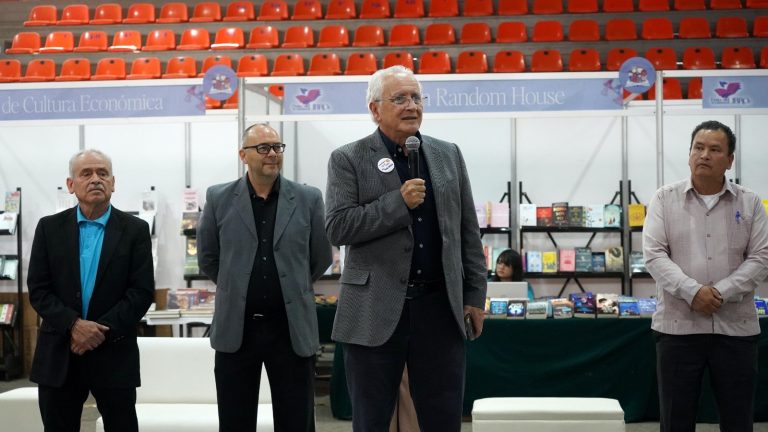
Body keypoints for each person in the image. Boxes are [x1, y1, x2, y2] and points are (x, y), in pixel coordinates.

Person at [325, 65, 488, 431]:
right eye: (399, 98)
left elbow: (467, 231)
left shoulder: (448, 155)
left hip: (439, 308)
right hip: (374, 309)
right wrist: (397, 202)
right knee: (371, 419)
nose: (411, 105)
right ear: (374, 109)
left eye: (416, 97)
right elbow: (337, 227)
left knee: (444, 417)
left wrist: (476, 295)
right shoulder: (348, 158)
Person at [197, 123, 332, 432]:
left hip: (290, 328)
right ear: (243, 155)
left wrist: (290, 287)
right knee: (235, 419)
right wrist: (238, 287)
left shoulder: (308, 198)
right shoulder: (219, 198)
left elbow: (320, 257)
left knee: (297, 420)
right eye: (263, 148)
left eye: (276, 147)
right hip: (237, 328)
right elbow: (208, 256)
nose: (272, 154)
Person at [644, 120, 768, 432]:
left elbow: (761, 257)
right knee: (676, 420)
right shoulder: (664, 199)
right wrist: (693, 291)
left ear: (729, 160)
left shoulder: (750, 202)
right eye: (698, 148)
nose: (704, 155)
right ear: (688, 154)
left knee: (738, 420)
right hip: (678, 328)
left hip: (736, 329)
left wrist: (721, 292)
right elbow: (654, 255)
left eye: (715, 149)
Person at [27, 149, 155, 432]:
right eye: (86, 173)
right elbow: (38, 289)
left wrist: (96, 332)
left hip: (113, 352)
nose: (96, 179)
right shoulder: (49, 228)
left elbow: (141, 292)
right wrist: (73, 325)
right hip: (60, 352)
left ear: (113, 182)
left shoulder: (135, 230)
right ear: (71, 184)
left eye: (103, 173)